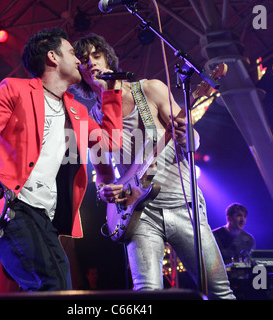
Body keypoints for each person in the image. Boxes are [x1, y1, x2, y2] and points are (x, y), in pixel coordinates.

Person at [73, 34, 235, 299]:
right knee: (146, 294)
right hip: (139, 213)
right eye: (83, 61)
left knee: (218, 291)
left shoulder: (149, 89)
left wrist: (186, 134)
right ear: (80, 73)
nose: (90, 63)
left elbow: (192, 139)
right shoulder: (91, 120)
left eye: (95, 55)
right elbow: (103, 175)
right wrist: (104, 191)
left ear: (108, 59)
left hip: (183, 204)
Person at [0, 27, 123, 291]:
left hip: (46, 217)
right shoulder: (15, 89)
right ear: (52, 57)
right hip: (11, 206)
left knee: (60, 286)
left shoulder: (77, 110)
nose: (78, 60)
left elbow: (112, 143)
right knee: (50, 285)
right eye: (72, 53)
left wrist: (110, 91)